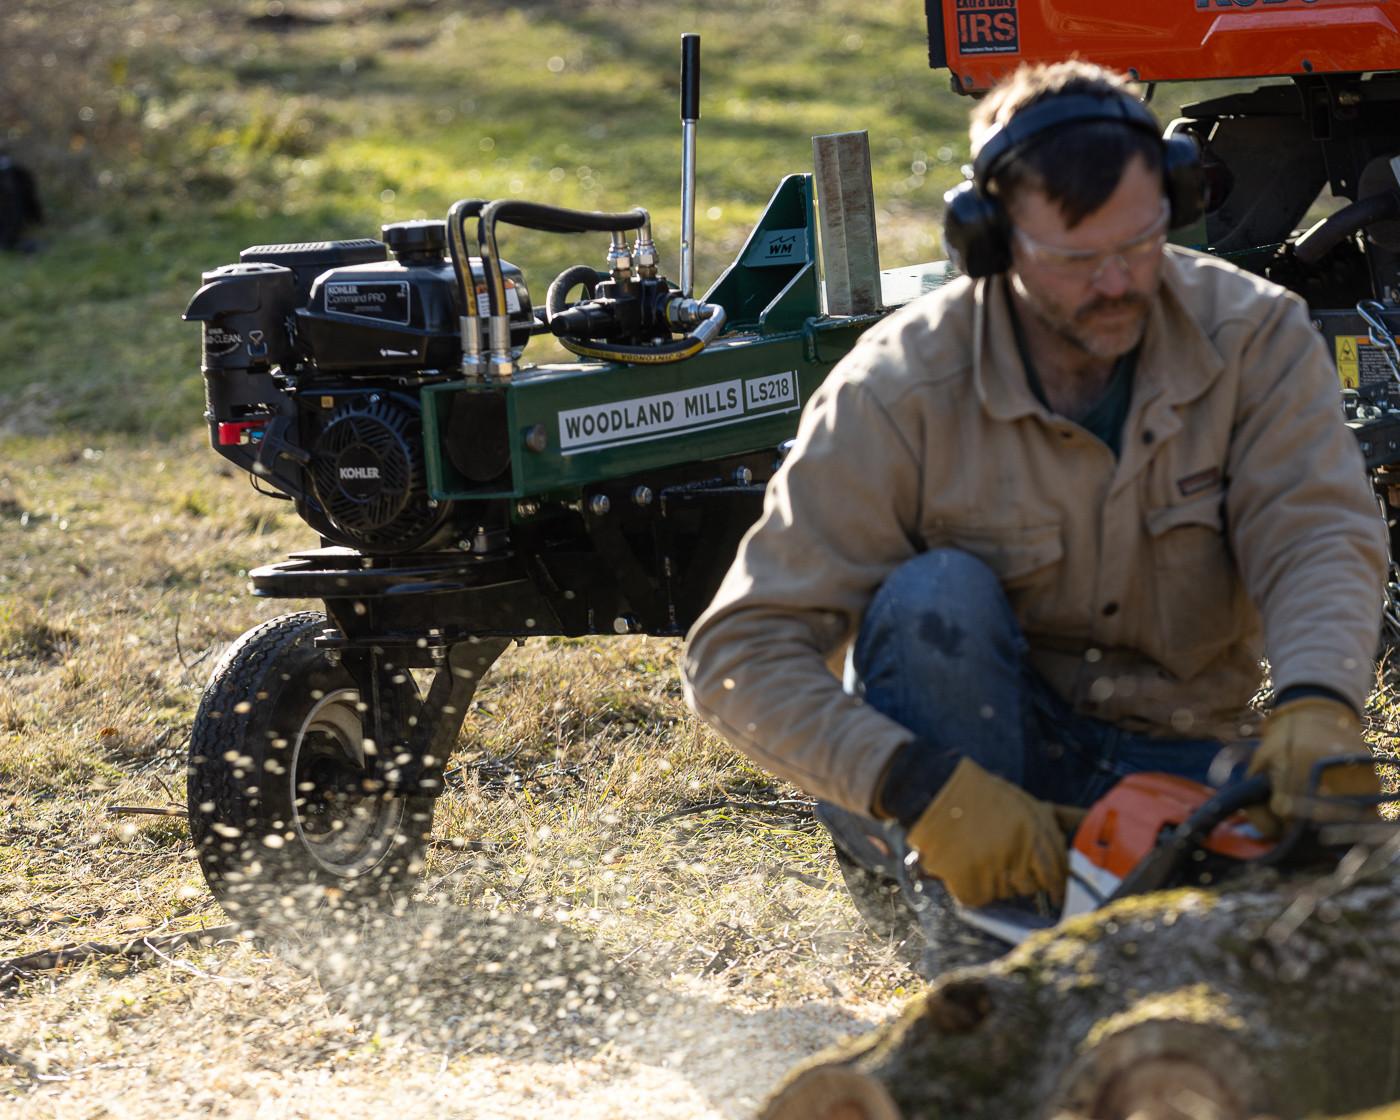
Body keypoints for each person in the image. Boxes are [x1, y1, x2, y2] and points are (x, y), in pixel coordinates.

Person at [681, 61, 1386, 933]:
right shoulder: (900, 386)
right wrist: (916, 786)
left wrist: (1317, 702)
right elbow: (739, 654)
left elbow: (1314, 533)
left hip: (1176, 746)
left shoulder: (1255, 335)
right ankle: (967, 918)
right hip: (952, 768)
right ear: (991, 241)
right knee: (935, 596)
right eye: (1078, 260)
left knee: (1323, 907)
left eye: (1141, 244)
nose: (1121, 282)